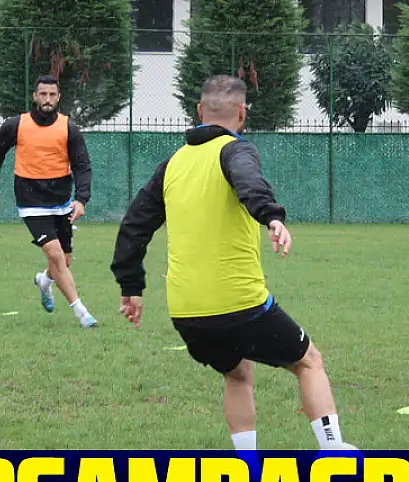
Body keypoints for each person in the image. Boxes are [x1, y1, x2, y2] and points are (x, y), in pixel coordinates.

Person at [110, 74, 355, 451]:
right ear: (242, 113)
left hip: (187, 314)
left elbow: (134, 226)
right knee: (309, 361)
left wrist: (131, 287)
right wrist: (272, 216)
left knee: (238, 373)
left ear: (199, 111)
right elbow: (248, 181)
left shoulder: (172, 164)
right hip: (240, 306)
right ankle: (334, 451)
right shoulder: (236, 151)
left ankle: (248, 466)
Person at [0, 75, 98, 328]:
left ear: (58, 97)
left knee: (63, 261)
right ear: (34, 97)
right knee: (56, 255)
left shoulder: (69, 128)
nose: (47, 99)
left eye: (52, 95)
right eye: (43, 94)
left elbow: (82, 166)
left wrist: (81, 200)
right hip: (30, 201)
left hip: (61, 201)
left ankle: (44, 281)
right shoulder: (16, 125)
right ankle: (82, 313)